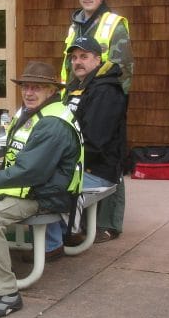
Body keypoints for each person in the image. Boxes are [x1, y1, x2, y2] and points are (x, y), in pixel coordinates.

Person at [0, 61, 83, 318]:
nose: (29, 93)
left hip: (48, 194)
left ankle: (6, 293)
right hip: (32, 186)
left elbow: (32, 171)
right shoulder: (32, 113)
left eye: (37, 88)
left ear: (51, 90)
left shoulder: (53, 123)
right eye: (26, 87)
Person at [60, 0, 133, 242]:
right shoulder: (75, 24)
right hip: (76, 92)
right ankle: (75, 223)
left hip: (105, 94)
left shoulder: (113, 23)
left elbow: (124, 64)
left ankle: (109, 223)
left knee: (107, 153)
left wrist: (114, 99)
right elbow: (70, 62)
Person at [45, 36, 127, 251]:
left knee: (44, 182)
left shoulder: (106, 91)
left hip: (96, 169)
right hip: (76, 163)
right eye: (74, 58)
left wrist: (57, 159)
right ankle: (53, 234)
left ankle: (55, 242)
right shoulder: (77, 86)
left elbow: (95, 142)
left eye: (84, 56)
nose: (77, 62)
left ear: (97, 60)